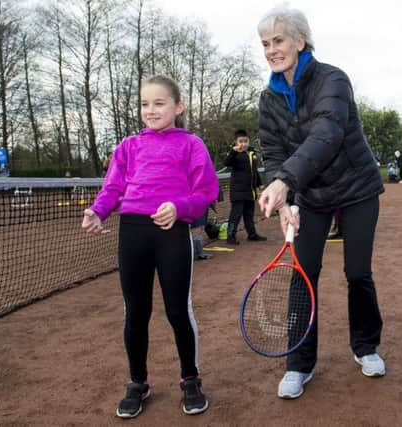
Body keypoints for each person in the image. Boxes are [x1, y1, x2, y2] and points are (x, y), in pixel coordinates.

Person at [257, 5, 386, 400]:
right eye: (265, 44)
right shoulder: (268, 99)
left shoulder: (333, 79)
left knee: (357, 272)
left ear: (300, 40)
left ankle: (365, 347)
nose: (271, 50)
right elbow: (273, 153)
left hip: (358, 188)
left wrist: (284, 182)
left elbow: (326, 135)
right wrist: (284, 203)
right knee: (303, 275)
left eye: (278, 40)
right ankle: (299, 363)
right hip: (311, 196)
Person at [81, 75, 218, 418]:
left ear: (178, 107)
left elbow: (206, 192)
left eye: (159, 103)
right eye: (145, 104)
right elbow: (112, 188)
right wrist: (98, 212)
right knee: (136, 311)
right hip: (133, 232)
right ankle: (138, 382)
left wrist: (179, 207)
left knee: (177, 310)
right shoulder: (128, 146)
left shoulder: (191, 144)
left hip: (172, 231)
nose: (151, 110)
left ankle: (190, 378)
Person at [223, 129, 267, 244]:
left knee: (249, 214)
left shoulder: (252, 154)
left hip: (250, 191)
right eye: (240, 141)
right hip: (238, 192)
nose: (243, 144)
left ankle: (252, 234)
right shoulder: (234, 154)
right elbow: (226, 163)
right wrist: (233, 151)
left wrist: (260, 184)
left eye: (245, 141)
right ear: (236, 142)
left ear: (249, 141)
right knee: (236, 215)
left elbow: (255, 171)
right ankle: (230, 236)